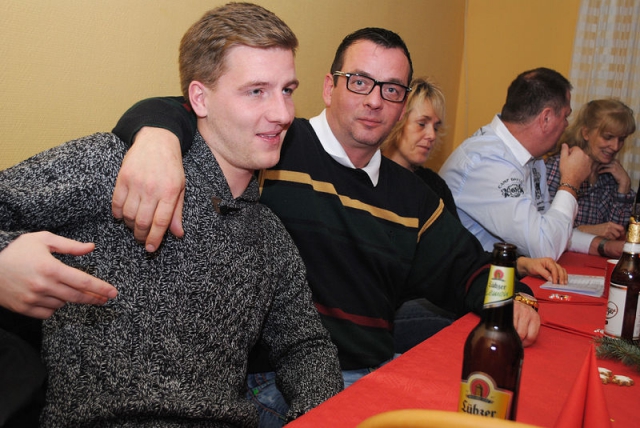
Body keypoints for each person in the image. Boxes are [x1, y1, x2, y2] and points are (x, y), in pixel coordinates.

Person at [109, 29, 565, 427]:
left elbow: (468, 268)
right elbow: (186, 108)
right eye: (360, 82)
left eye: (391, 90)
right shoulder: (274, 145)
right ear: (329, 88)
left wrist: (517, 296)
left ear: (402, 105)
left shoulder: (413, 197)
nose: (374, 100)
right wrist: (156, 137)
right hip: (274, 380)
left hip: (376, 371)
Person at [0, 3, 342, 426]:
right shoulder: (122, 167)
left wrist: (319, 413)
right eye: (256, 91)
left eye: (287, 90)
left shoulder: (269, 234)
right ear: (199, 98)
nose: (284, 114)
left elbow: (305, 345)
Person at [440, 67, 623, 261]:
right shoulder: (486, 161)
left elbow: (548, 227)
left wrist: (603, 246)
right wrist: (571, 181)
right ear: (546, 118)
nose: (567, 125)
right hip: (468, 276)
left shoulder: (531, 158)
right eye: (565, 116)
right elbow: (545, 247)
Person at [545, 99, 637, 245]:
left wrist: (624, 186)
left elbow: (614, 233)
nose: (615, 146)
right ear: (586, 133)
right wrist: (584, 230)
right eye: (608, 137)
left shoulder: (610, 176)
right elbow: (542, 229)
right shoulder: (558, 167)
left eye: (621, 139)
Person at [381, 77, 457, 219]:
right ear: (397, 120)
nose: (432, 135)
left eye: (436, 128)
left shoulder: (435, 188)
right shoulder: (365, 175)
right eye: (422, 124)